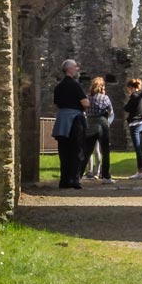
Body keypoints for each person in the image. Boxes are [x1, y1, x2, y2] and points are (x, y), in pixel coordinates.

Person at [51, 59, 86, 190]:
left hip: (62, 120)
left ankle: (64, 180)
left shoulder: (59, 86)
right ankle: (74, 179)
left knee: (63, 151)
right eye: (76, 67)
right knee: (77, 149)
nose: (78, 69)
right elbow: (85, 103)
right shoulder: (75, 85)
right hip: (75, 119)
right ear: (70, 69)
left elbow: (55, 105)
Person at [84, 75, 117, 181]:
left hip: (90, 123)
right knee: (105, 151)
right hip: (102, 123)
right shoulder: (104, 98)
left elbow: (84, 111)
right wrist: (108, 122)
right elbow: (111, 111)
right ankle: (105, 176)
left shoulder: (87, 97)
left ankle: (77, 175)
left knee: (87, 151)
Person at [122, 74, 142, 178]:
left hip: (134, 124)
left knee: (138, 148)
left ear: (131, 87)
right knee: (140, 147)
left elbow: (127, 108)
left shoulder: (134, 96)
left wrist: (126, 105)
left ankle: (141, 171)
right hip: (141, 123)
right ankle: (141, 170)